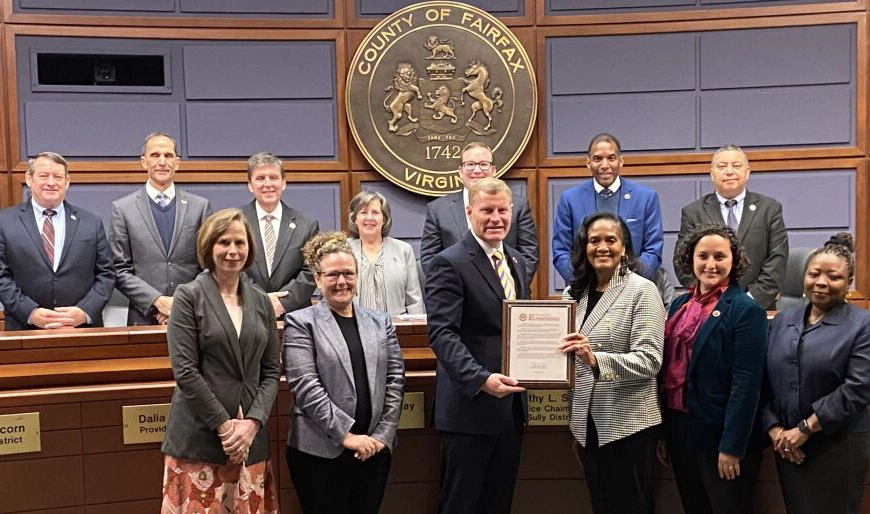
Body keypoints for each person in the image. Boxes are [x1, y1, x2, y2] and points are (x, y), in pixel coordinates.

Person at [161, 208, 280, 514]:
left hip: (250, 439)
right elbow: (185, 372)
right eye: (223, 242)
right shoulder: (189, 297)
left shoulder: (261, 301)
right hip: (202, 437)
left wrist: (252, 424)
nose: (232, 251)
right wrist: (226, 428)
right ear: (208, 247)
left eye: (240, 242)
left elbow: (270, 371)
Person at [426, 177, 531, 514]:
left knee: (498, 504)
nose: (496, 218)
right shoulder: (449, 262)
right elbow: (442, 334)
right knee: (461, 505)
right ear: (470, 212)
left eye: (502, 210)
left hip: (510, 411)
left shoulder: (517, 261)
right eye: (487, 210)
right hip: (469, 410)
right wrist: (481, 379)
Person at [283, 231, 405, 514]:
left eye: (348, 273)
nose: (341, 282)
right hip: (319, 452)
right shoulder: (301, 323)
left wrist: (381, 437)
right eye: (332, 274)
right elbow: (305, 387)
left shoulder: (380, 321)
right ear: (317, 279)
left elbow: (396, 380)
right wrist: (346, 435)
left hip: (373, 451)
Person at [557, 211, 664, 514]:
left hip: (628, 425)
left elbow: (650, 360)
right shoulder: (572, 293)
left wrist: (595, 359)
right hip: (587, 423)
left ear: (624, 248)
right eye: (594, 241)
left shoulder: (642, 290)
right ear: (584, 247)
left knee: (631, 507)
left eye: (610, 240)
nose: (602, 247)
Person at [657, 224, 768, 514]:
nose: (710, 264)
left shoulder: (746, 310)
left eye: (720, 256)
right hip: (681, 428)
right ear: (690, 259)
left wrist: (731, 446)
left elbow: (746, 384)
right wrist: (664, 433)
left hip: (721, 434)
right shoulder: (679, 304)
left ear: (734, 260)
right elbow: (667, 369)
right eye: (702, 256)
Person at [763, 233, 870, 514]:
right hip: (788, 447)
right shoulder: (783, 319)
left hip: (837, 444)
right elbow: (766, 379)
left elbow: (857, 388)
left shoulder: (862, 324)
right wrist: (775, 429)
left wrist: (805, 429)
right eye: (814, 274)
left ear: (848, 284)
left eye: (833, 276)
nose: (821, 282)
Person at [0, 151, 114, 330]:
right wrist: (30, 312)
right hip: (24, 329)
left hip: (81, 330)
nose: (51, 183)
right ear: (29, 179)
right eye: (43, 176)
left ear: (67, 181)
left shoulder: (91, 222)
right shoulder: (5, 222)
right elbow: (1, 276)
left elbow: (106, 274)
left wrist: (84, 311)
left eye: (58, 177)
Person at [110, 132, 211, 325]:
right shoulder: (122, 209)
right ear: (144, 162)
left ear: (177, 163)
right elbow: (119, 269)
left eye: (168, 155)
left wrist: (180, 303)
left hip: (193, 315)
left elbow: (208, 266)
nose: (162, 161)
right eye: (155, 155)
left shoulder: (200, 207)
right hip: (144, 316)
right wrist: (157, 301)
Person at [675, 144, 788, 310]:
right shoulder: (693, 212)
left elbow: (777, 259)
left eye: (736, 166)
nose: (729, 171)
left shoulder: (769, 209)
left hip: (758, 307)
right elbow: (682, 262)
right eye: (722, 166)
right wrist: (710, 298)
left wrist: (750, 300)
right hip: (707, 309)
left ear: (747, 172)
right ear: (712, 173)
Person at [420, 141, 539, 282]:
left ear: (493, 170)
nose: (477, 170)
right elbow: (430, 260)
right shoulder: (438, 209)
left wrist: (510, 285)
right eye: (470, 164)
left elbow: (529, 253)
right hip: (458, 296)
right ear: (460, 171)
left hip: (507, 293)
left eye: (483, 164)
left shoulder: (518, 205)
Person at [552, 133, 663, 281]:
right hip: (584, 291)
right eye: (597, 159)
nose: (605, 165)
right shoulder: (569, 199)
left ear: (621, 161)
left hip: (631, 291)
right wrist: (583, 282)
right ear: (588, 163)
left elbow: (653, 251)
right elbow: (561, 252)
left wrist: (628, 283)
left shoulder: (646, 198)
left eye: (611, 158)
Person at [240, 152, 319, 318]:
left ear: (284, 183)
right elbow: (230, 269)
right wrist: (261, 301)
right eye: (260, 178)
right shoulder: (235, 222)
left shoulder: (307, 225)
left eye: (273, 177)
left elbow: (311, 271)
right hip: (246, 314)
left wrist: (281, 303)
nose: (267, 184)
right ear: (250, 185)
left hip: (294, 317)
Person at [346, 191, 425, 316]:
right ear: (354, 219)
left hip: (395, 329)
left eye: (375, 212)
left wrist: (418, 331)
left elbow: (414, 300)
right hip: (354, 329)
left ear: (384, 219)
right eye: (363, 212)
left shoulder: (403, 250)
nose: (369, 218)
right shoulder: (343, 250)